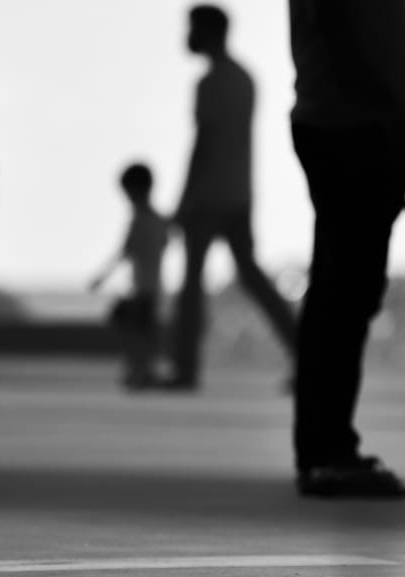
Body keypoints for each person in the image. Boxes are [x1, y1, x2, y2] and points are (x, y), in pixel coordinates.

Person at [288, 0, 405, 497]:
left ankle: (327, 448)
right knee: (344, 296)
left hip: (351, 126)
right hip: (354, 130)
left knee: (341, 294)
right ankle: (327, 452)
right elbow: (342, 36)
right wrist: (401, 131)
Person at [170, 5, 298, 390]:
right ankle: (305, 355)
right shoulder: (243, 78)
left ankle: (185, 370)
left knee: (192, 284)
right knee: (253, 277)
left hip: (209, 196)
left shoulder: (211, 82)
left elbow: (204, 144)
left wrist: (185, 200)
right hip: (239, 193)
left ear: (208, 32)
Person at [90, 163, 171, 390]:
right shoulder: (160, 221)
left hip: (142, 288)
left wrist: (102, 277)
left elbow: (124, 252)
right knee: (144, 330)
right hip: (153, 287)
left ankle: (140, 370)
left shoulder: (141, 221)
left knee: (135, 329)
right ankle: (142, 369)